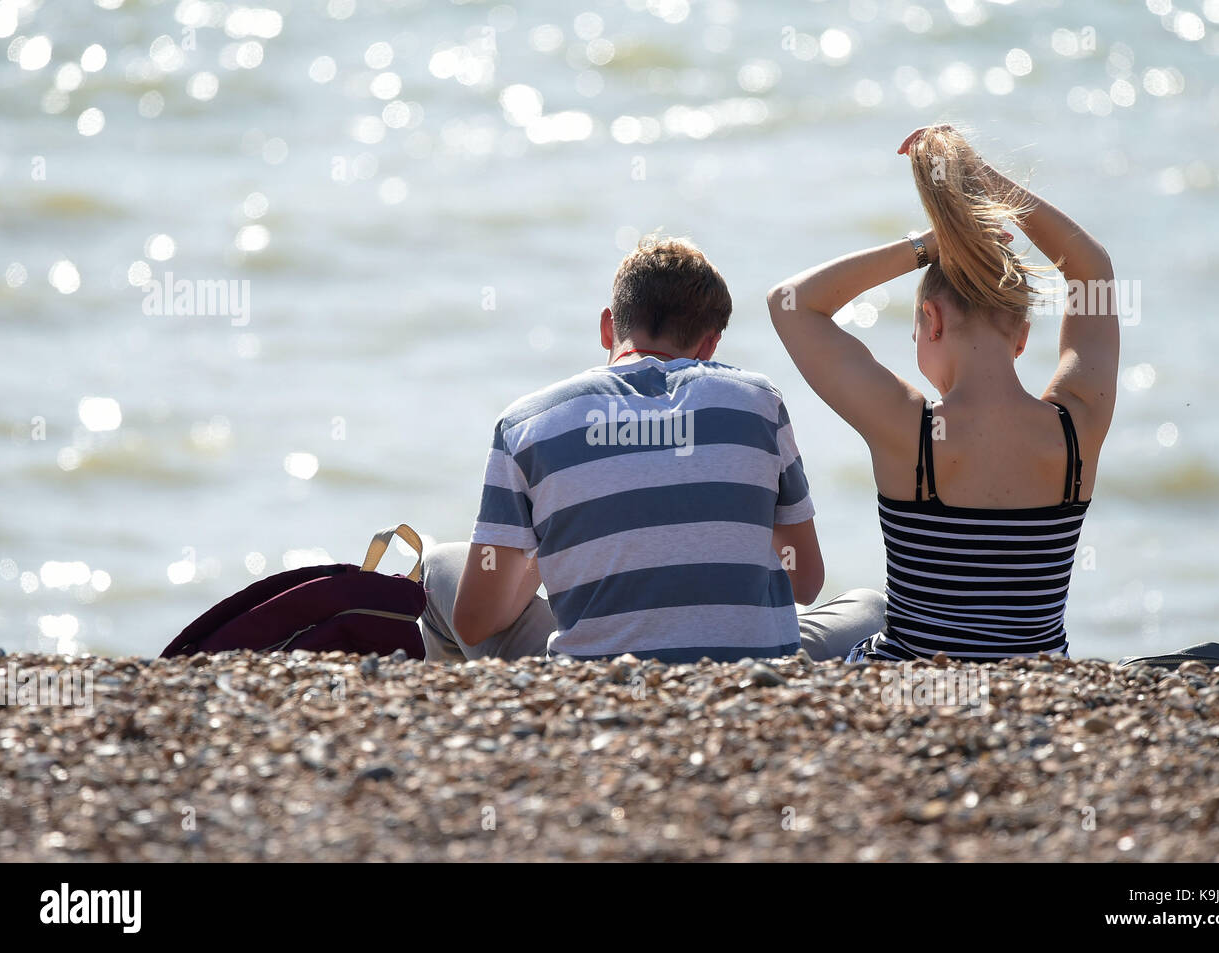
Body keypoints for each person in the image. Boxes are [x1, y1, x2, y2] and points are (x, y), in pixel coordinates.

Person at [420, 234, 885, 664]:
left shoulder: (527, 421)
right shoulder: (758, 403)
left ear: (608, 327)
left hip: (592, 683)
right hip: (749, 676)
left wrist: (556, 535)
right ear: (710, 344)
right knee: (870, 607)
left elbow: (476, 623)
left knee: (441, 562)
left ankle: (476, 725)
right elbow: (805, 583)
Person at [768, 125, 1120, 662]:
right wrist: (983, 181)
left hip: (912, 683)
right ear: (1022, 336)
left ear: (930, 320)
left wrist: (928, 245)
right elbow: (1091, 269)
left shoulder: (912, 433)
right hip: (1042, 689)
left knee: (861, 607)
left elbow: (790, 302)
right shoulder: (1077, 428)